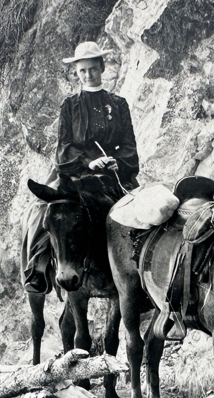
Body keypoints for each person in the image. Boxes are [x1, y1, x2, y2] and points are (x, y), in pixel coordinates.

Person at [21, 41, 140, 294]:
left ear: (102, 67)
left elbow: (129, 145)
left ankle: (140, 272)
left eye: (93, 69)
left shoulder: (118, 104)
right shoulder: (70, 106)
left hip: (112, 176)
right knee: (45, 209)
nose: (88, 75)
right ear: (76, 72)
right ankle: (37, 268)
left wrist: (118, 162)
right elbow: (64, 146)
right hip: (75, 174)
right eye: (83, 71)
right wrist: (89, 162)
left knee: (142, 212)